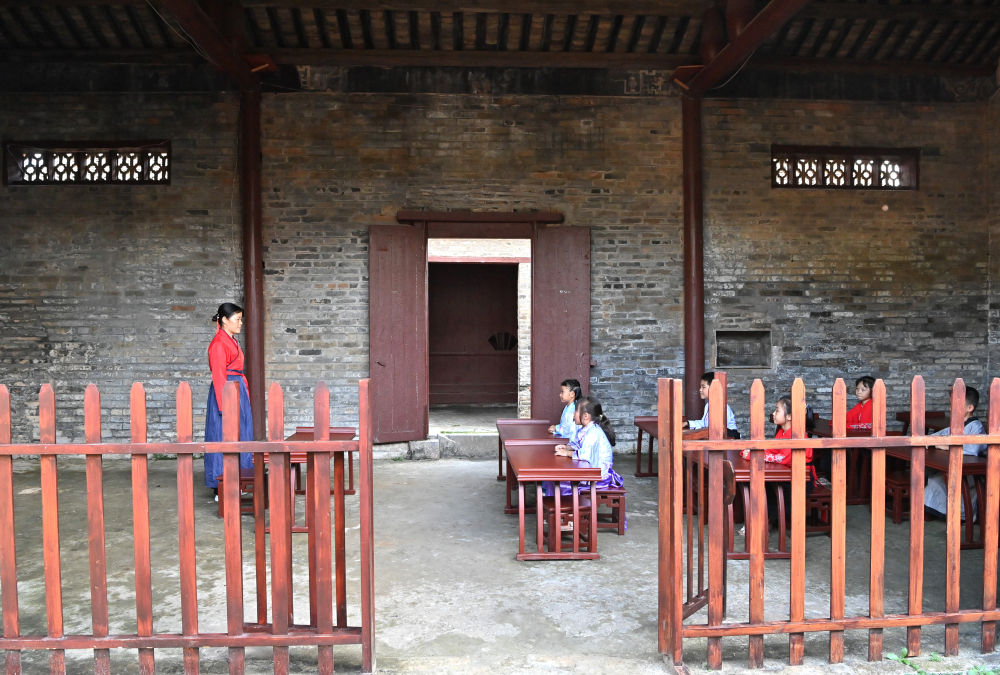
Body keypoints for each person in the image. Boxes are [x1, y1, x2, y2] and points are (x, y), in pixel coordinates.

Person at [204, 302, 254, 499]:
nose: (240, 323)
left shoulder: (231, 341)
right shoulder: (218, 344)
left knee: (240, 434)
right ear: (224, 320)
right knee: (221, 436)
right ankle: (220, 486)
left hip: (236, 389)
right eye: (237, 319)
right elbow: (218, 376)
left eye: (241, 319)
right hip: (226, 391)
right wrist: (224, 406)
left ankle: (239, 478)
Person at [924, 386, 986, 519]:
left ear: (970, 408)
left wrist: (947, 446)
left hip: (971, 472)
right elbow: (940, 435)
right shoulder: (957, 424)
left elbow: (973, 449)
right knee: (933, 478)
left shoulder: (976, 426)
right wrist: (930, 440)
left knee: (936, 482)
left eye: (956, 404)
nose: (952, 408)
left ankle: (962, 514)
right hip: (956, 466)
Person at [554, 396, 624, 492]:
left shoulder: (593, 432)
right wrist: (567, 447)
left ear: (585, 416)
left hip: (599, 477)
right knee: (558, 481)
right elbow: (579, 445)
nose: (573, 414)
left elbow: (585, 454)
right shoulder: (587, 429)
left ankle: (563, 501)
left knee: (560, 484)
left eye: (576, 411)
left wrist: (566, 453)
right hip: (593, 472)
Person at [684, 371, 739, 438]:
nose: (700, 390)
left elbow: (719, 428)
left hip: (729, 438)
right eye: (700, 387)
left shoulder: (722, 406)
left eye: (703, 387)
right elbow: (704, 423)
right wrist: (688, 423)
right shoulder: (708, 405)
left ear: (713, 387)